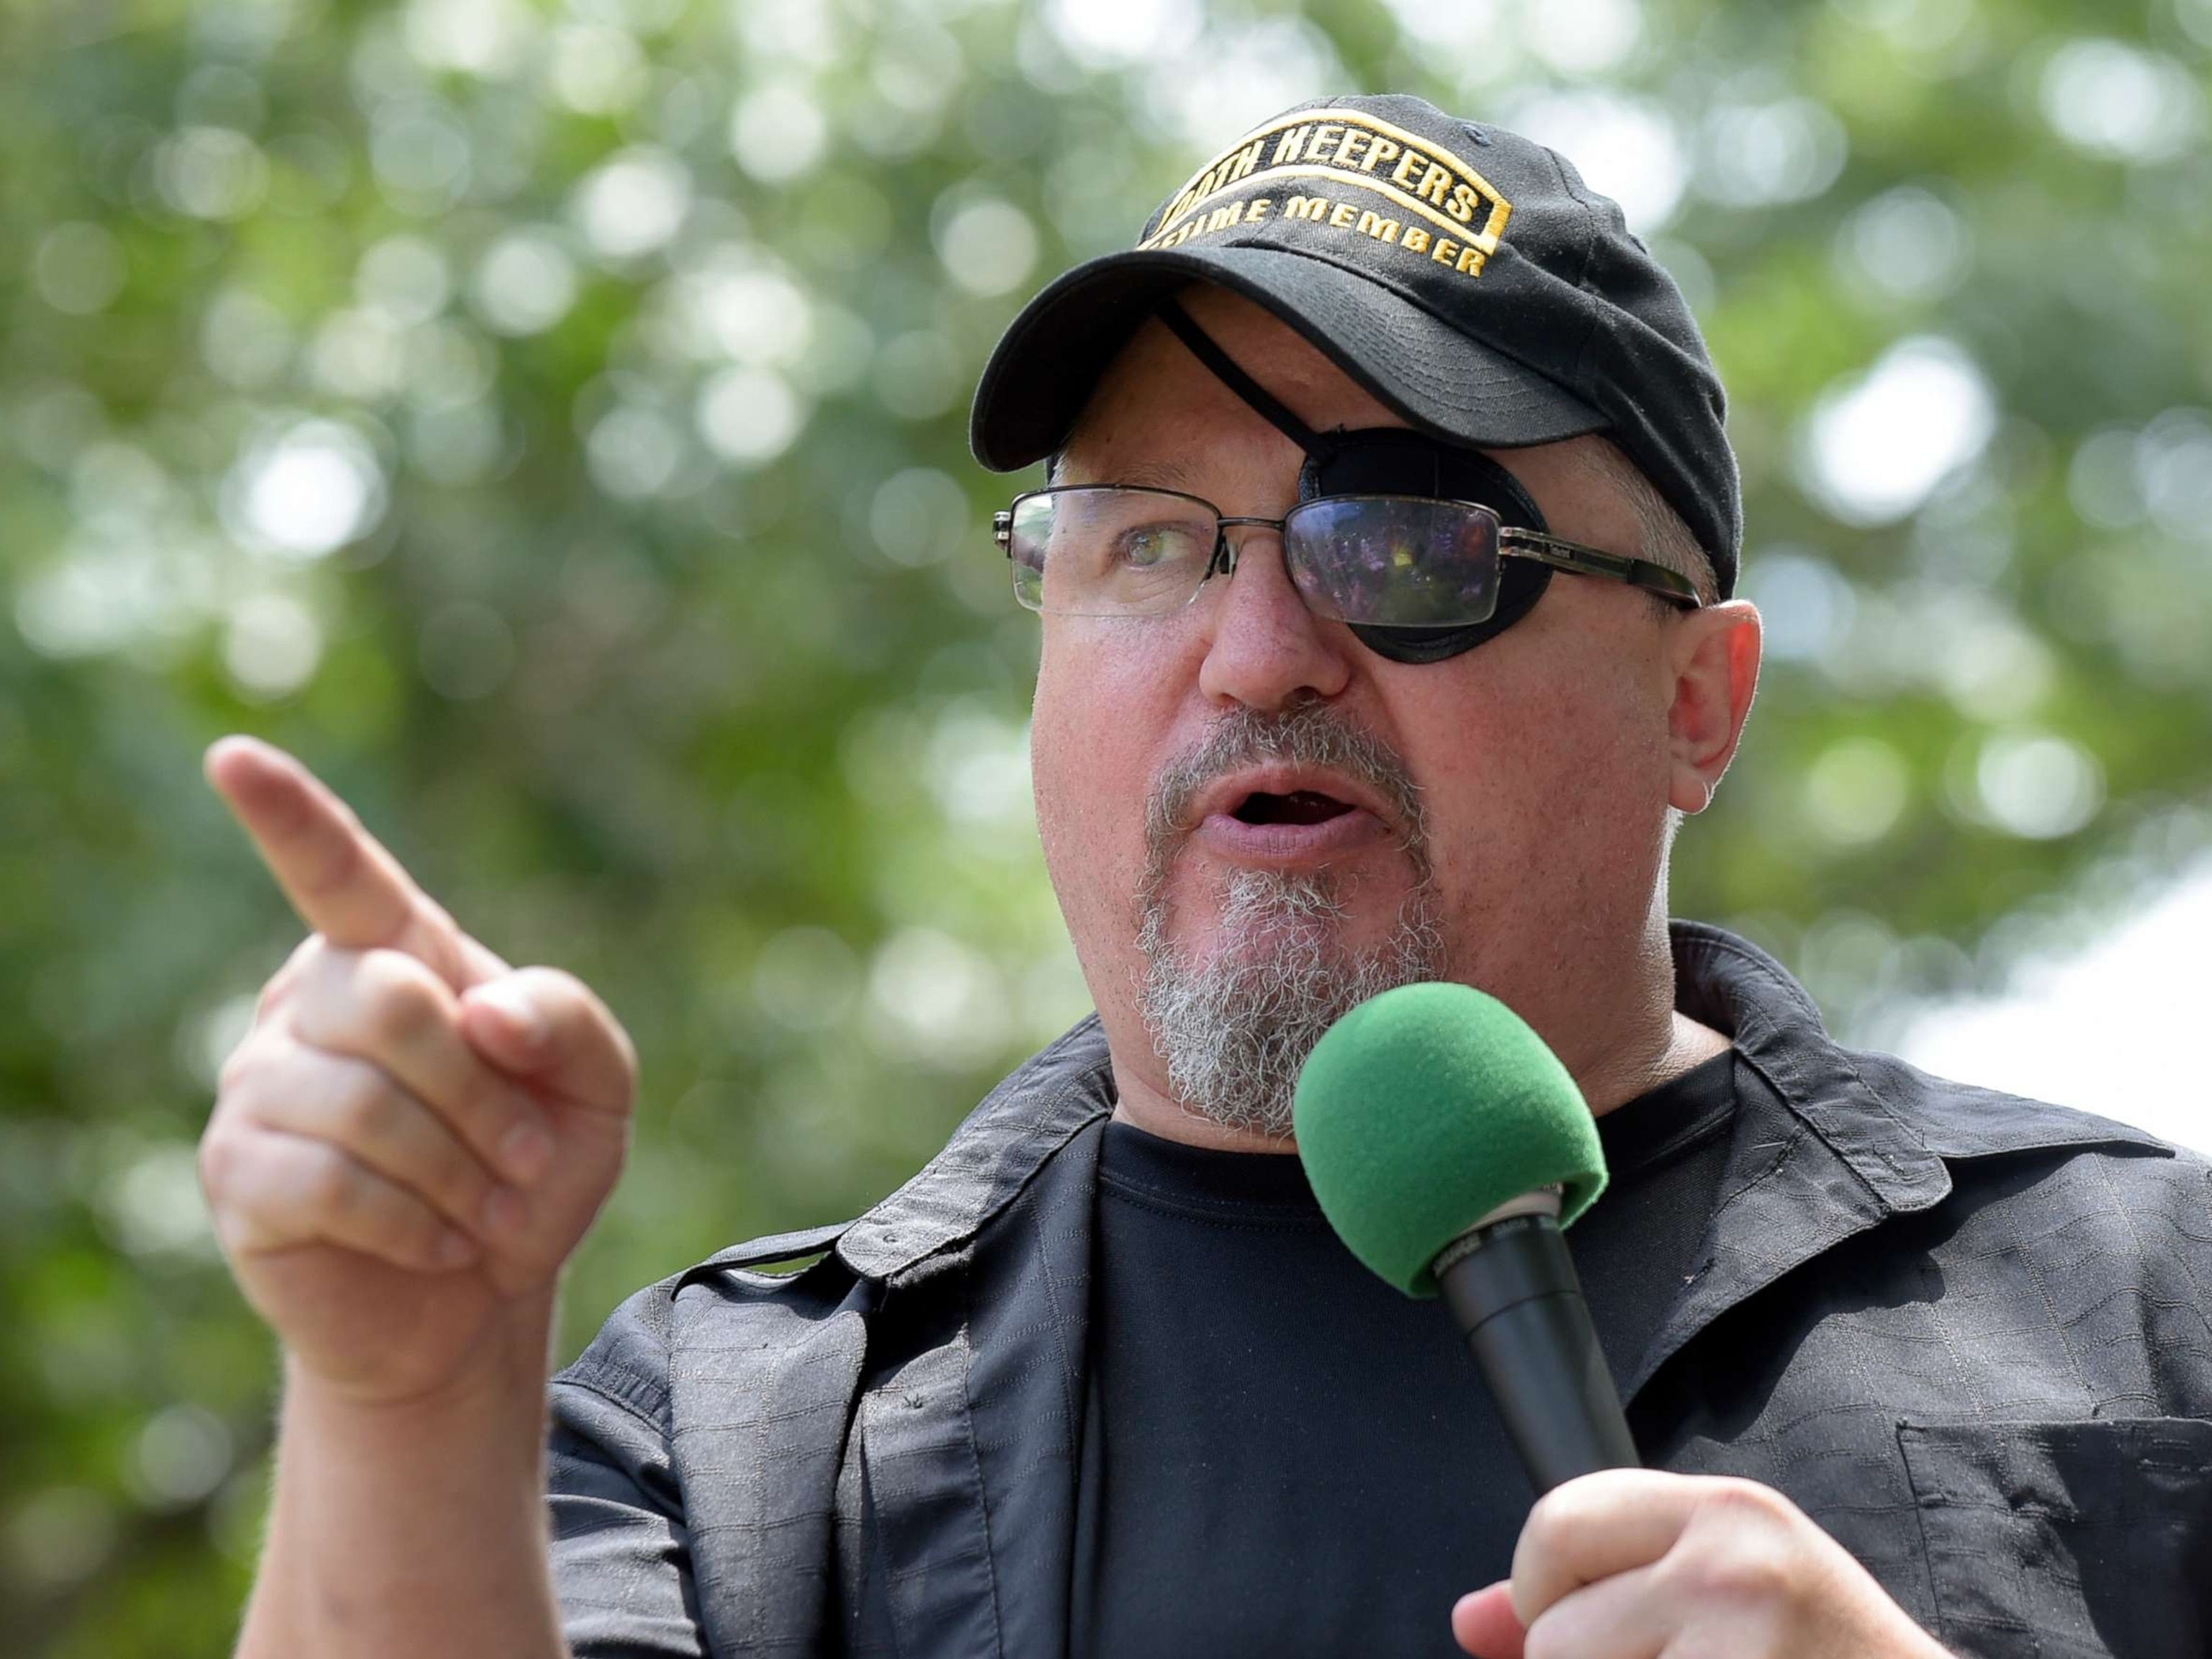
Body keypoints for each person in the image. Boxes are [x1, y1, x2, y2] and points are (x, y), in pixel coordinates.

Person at [197, 94, 2212, 1659]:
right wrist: (410, 1395)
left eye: (1409, 544)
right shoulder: (737, 1442)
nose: (1258, 655)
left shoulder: (2152, 1317)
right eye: (1149, 543)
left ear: (1702, 700)